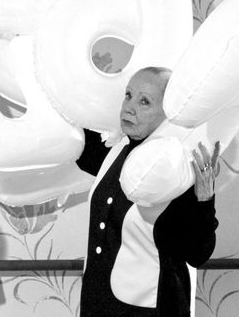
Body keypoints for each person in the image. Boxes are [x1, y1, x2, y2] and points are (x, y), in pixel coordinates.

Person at [80, 66, 220, 317]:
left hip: (153, 308)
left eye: (144, 102)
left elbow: (198, 253)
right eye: (128, 95)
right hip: (97, 303)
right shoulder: (116, 149)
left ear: (168, 113)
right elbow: (80, 148)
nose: (129, 107)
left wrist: (204, 198)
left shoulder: (175, 171)